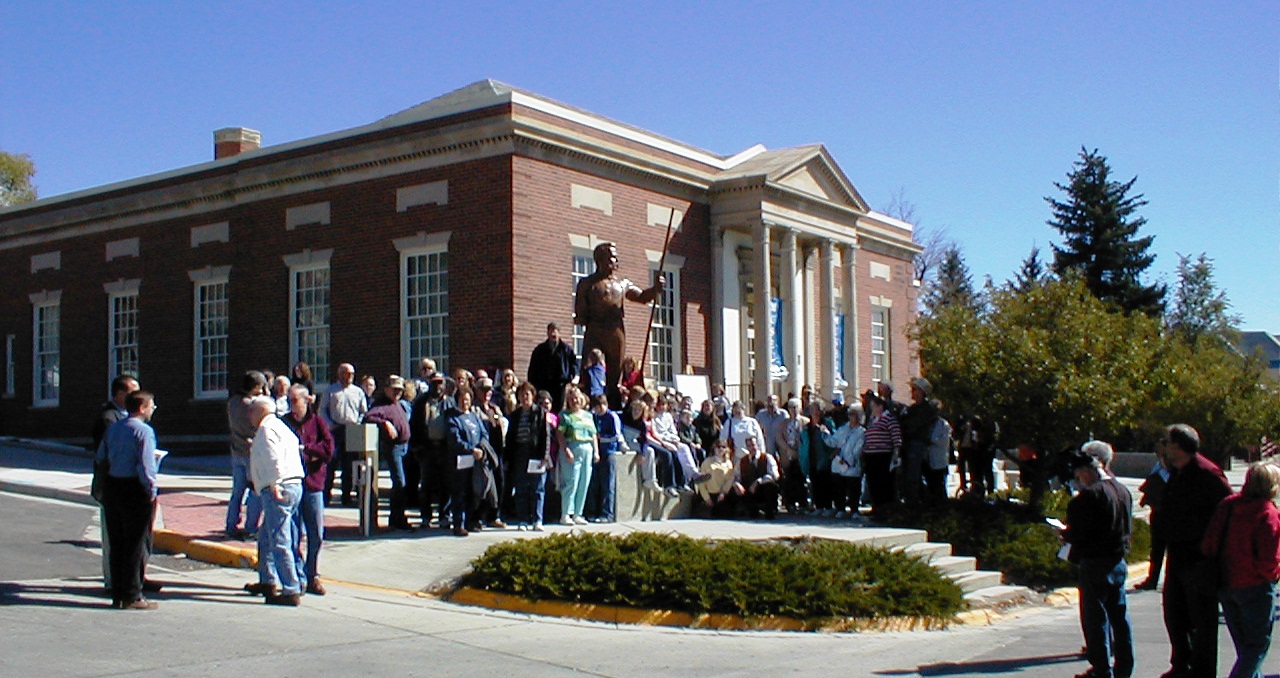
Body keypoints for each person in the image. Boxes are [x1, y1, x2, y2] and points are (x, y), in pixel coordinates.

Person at [1158, 423, 1232, 678]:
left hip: (1200, 559)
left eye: (1167, 443)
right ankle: (1181, 665)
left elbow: (1227, 510)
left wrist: (1213, 549)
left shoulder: (1207, 473)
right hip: (1177, 555)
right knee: (1175, 614)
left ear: (1178, 446)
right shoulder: (1176, 472)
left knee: (1201, 621)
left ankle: (1202, 672)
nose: (1164, 448)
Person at [1059, 441, 1134, 678]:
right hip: (1118, 560)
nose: (1079, 478)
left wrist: (1064, 534)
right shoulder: (1122, 490)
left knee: (1096, 619)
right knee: (1119, 618)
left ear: (1088, 470)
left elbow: (1078, 533)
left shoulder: (1088, 497)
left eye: (1080, 473)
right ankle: (1124, 666)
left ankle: (1102, 669)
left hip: (1095, 563)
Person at [1201, 462, 1280, 678]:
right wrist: (1274, 575)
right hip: (1255, 586)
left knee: (1244, 647)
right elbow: (1268, 560)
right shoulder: (1267, 513)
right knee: (1256, 646)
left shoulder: (1228, 506)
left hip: (1225, 583)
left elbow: (1209, 543)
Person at [574, 242, 663, 409]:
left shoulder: (623, 284)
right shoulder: (587, 283)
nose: (616, 260)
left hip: (616, 332)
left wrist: (656, 288)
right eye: (612, 257)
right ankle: (589, 401)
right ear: (601, 259)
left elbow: (642, 297)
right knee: (590, 365)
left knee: (615, 373)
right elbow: (580, 314)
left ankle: (613, 405)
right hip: (595, 330)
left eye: (615, 257)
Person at [96, 390, 160, 610]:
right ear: (142, 408)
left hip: (113, 485)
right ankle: (132, 594)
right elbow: (145, 465)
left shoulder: (113, 428)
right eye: (151, 405)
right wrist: (151, 490)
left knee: (117, 542)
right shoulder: (144, 431)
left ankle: (118, 593)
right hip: (134, 488)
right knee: (135, 543)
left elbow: (101, 457)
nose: (153, 409)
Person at [248, 397, 306, 606]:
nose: (249, 416)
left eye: (251, 411)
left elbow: (274, 458)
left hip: (278, 487)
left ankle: (291, 588)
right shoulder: (282, 426)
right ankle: (267, 580)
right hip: (294, 484)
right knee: (265, 536)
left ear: (261, 411)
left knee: (279, 539)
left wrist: (275, 483)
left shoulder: (266, 429)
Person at [281, 384, 333, 596]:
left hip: (313, 484)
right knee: (293, 533)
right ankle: (299, 575)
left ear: (306, 401)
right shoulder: (283, 423)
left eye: (295, 401)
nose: (292, 406)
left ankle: (312, 574)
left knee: (316, 533)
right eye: (289, 401)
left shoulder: (318, 422)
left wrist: (307, 450)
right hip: (291, 484)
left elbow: (328, 449)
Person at [91, 374, 139, 591]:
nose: (137, 396)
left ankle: (135, 577)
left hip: (131, 481)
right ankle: (113, 580)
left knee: (133, 536)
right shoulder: (109, 418)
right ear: (120, 394)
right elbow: (107, 453)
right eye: (133, 392)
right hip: (113, 482)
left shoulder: (130, 416)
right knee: (113, 536)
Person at [362, 376, 412, 530]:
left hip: (405, 447)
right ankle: (398, 518)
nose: (397, 393)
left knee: (403, 483)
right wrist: (385, 423)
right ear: (386, 389)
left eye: (400, 390)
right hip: (393, 448)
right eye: (394, 390)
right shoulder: (381, 405)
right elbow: (368, 417)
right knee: (399, 482)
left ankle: (396, 517)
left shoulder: (398, 404)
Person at [319, 363, 368, 507]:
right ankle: (326, 496)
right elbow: (322, 409)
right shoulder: (330, 390)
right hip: (335, 430)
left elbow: (363, 411)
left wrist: (358, 423)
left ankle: (346, 497)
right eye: (347, 373)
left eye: (352, 373)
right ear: (340, 374)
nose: (350, 376)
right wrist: (329, 424)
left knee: (349, 465)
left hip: (352, 430)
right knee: (331, 463)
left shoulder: (358, 392)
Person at [225, 370, 267, 539]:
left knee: (237, 491)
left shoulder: (233, 402)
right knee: (255, 491)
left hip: (236, 450)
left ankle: (231, 524)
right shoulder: (253, 406)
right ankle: (251, 527)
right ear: (255, 386)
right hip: (252, 453)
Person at [505, 381, 551, 531]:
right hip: (520, 454)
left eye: (527, 394)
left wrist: (545, 456)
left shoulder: (540, 413)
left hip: (536, 454)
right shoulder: (515, 415)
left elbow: (545, 435)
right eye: (521, 395)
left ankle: (538, 520)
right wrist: (508, 458)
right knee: (521, 489)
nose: (525, 397)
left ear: (532, 396)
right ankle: (523, 520)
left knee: (538, 488)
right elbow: (510, 438)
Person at [447, 386, 489, 536]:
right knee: (460, 493)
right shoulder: (453, 418)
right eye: (462, 399)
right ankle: (458, 524)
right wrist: (471, 449)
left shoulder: (474, 417)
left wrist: (481, 449)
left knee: (474, 492)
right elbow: (455, 440)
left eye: (467, 399)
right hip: (461, 461)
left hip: (476, 461)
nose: (465, 402)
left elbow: (484, 434)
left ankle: (472, 521)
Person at [556, 387, 599, 525]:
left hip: (587, 449)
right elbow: (560, 434)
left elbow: (593, 434)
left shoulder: (588, 416)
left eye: (577, 398)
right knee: (571, 481)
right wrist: (566, 450)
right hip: (572, 448)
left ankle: (578, 513)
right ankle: (565, 514)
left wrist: (596, 451)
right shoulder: (564, 415)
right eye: (572, 399)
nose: (575, 401)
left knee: (584, 482)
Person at [898, 377, 940, 505]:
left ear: (922, 391)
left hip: (918, 444)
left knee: (913, 475)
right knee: (907, 474)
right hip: (908, 444)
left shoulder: (928, 408)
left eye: (914, 389)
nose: (912, 392)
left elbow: (914, 425)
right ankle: (918, 500)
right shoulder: (912, 409)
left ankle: (915, 502)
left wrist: (907, 425)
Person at [586, 394, 625, 522]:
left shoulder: (612, 416)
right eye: (597, 406)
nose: (600, 408)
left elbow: (616, 436)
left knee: (608, 484)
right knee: (595, 483)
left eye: (602, 405)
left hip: (609, 452)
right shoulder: (594, 417)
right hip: (597, 452)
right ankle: (593, 512)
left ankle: (608, 514)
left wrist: (600, 437)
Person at [1136, 450, 1171, 590]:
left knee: (1171, 550)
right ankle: (1152, 579)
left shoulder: (1175, 474)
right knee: (1156, 549)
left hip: (1171, 516)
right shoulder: (1158, 470)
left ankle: (1169, 582)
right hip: (1157, 514)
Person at [824, 402, 866, 520]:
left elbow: (858, 448)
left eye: (855, 414)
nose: (852, 417)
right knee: (839, 488)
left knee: (854, 489)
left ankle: (854, 510)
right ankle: (840, 509)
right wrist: (825, 434)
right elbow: (833, 442)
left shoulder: (862, 432)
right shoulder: (842, 429)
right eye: (850, 414)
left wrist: (848, 460)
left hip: (852, 464)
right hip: (838, 463)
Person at [861, 390, 902, 512]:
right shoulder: (872, 420)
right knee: (873, 482)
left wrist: (896, 453)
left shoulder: (889, 419)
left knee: (884, 482)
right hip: (870, 455)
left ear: (881, 407)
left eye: (874, 406)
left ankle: (885, 508)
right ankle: (876, 507)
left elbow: (896, 437)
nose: (872, 409)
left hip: (883, 455)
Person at [528, 323, 577, 412]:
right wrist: (534, 384)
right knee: (543, 408)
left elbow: (574, 366)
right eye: (550, 332)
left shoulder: (566, 349)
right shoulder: (540, 350)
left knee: (557, 409)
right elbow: (532, 368)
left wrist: (568, 378)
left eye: (555, 332)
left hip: (559, 386)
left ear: (559, 333)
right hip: (543, 385)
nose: (553, 334)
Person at [776, 397, 810, 514]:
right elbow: (779, 438)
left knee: (801, 481)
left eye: (795, 407)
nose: (793, 410)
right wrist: (788, 449)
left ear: (800, 408)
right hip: (788, 455)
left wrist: (799, 450)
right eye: (791, 407)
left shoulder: (806, 422)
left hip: (801, 455)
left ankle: (803, 504)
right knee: (789, 480)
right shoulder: (783, 423)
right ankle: (790, 504)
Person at [734, 435, 780, 519]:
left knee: (771, 486)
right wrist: (737, 484)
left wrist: (759, 481)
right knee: (738, 488)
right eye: (749, 446)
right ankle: (749, 510)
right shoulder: (742, 461)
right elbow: (736, 476)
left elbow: (774, 475)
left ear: (757, 445)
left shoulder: (767, 457)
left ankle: (770, 512)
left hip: (763, 488)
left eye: (753, 445)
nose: (752, 448)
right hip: (749, 490)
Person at [697, 440, 738, 518]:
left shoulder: (728, 463)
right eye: (718, 447)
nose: (721, 449)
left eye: (723, 447)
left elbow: (730, 480)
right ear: (714, 448)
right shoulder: (707, 462)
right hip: (710, 495)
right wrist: (707, 498)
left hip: (723, 495)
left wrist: (723, 493)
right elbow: (701, 482)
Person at [754, 394, 790, 460]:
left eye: (774, 400)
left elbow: (788, 427)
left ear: (778, 402)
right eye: (768, 401)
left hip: (781, 444)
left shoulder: (783, 414)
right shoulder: (761, 414)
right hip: (768, 445)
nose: (771, 403)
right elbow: (754, 426)